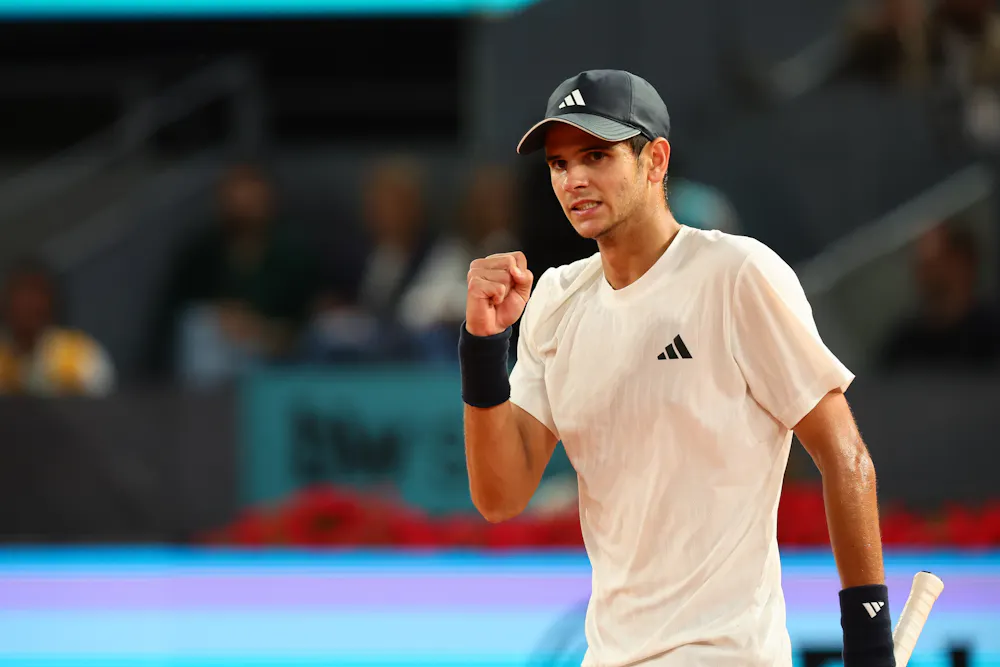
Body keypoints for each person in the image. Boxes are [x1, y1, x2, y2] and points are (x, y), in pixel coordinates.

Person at [458, 70, 895, 667]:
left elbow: (845, 456)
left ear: (654, 160)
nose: (574, 179)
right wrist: (483, 345)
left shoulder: (737, 274)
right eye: (559, 165)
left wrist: (870, 644)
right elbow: (500, 495)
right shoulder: (556, 301)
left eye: (595, 155)